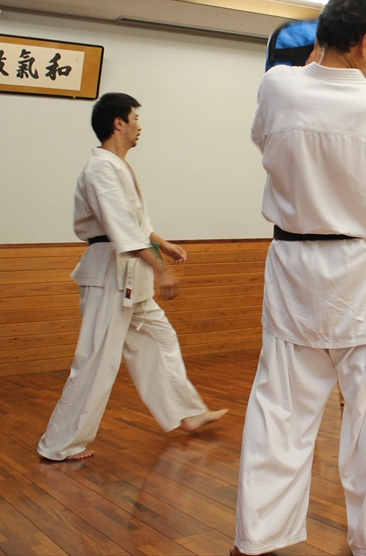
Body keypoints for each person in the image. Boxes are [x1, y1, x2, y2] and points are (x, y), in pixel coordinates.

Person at [233, 0, 366, 556]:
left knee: (279, 408)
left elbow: (263, 140)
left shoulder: (276, 88)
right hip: (358, 270)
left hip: (293, 266)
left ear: (321, 35)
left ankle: (259, 536)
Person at [37, 93, 226, 462]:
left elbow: (137, 223)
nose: (140, 125)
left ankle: (186, 413)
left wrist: (164, 244)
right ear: (118, 123)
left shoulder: (116, 166)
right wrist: (161, 269)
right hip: (110, 270)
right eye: (135, 117)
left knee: (160, 340)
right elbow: (120, 228)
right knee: (97, 359)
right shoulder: (100, 169)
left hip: (129, 273)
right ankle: (60, 444)